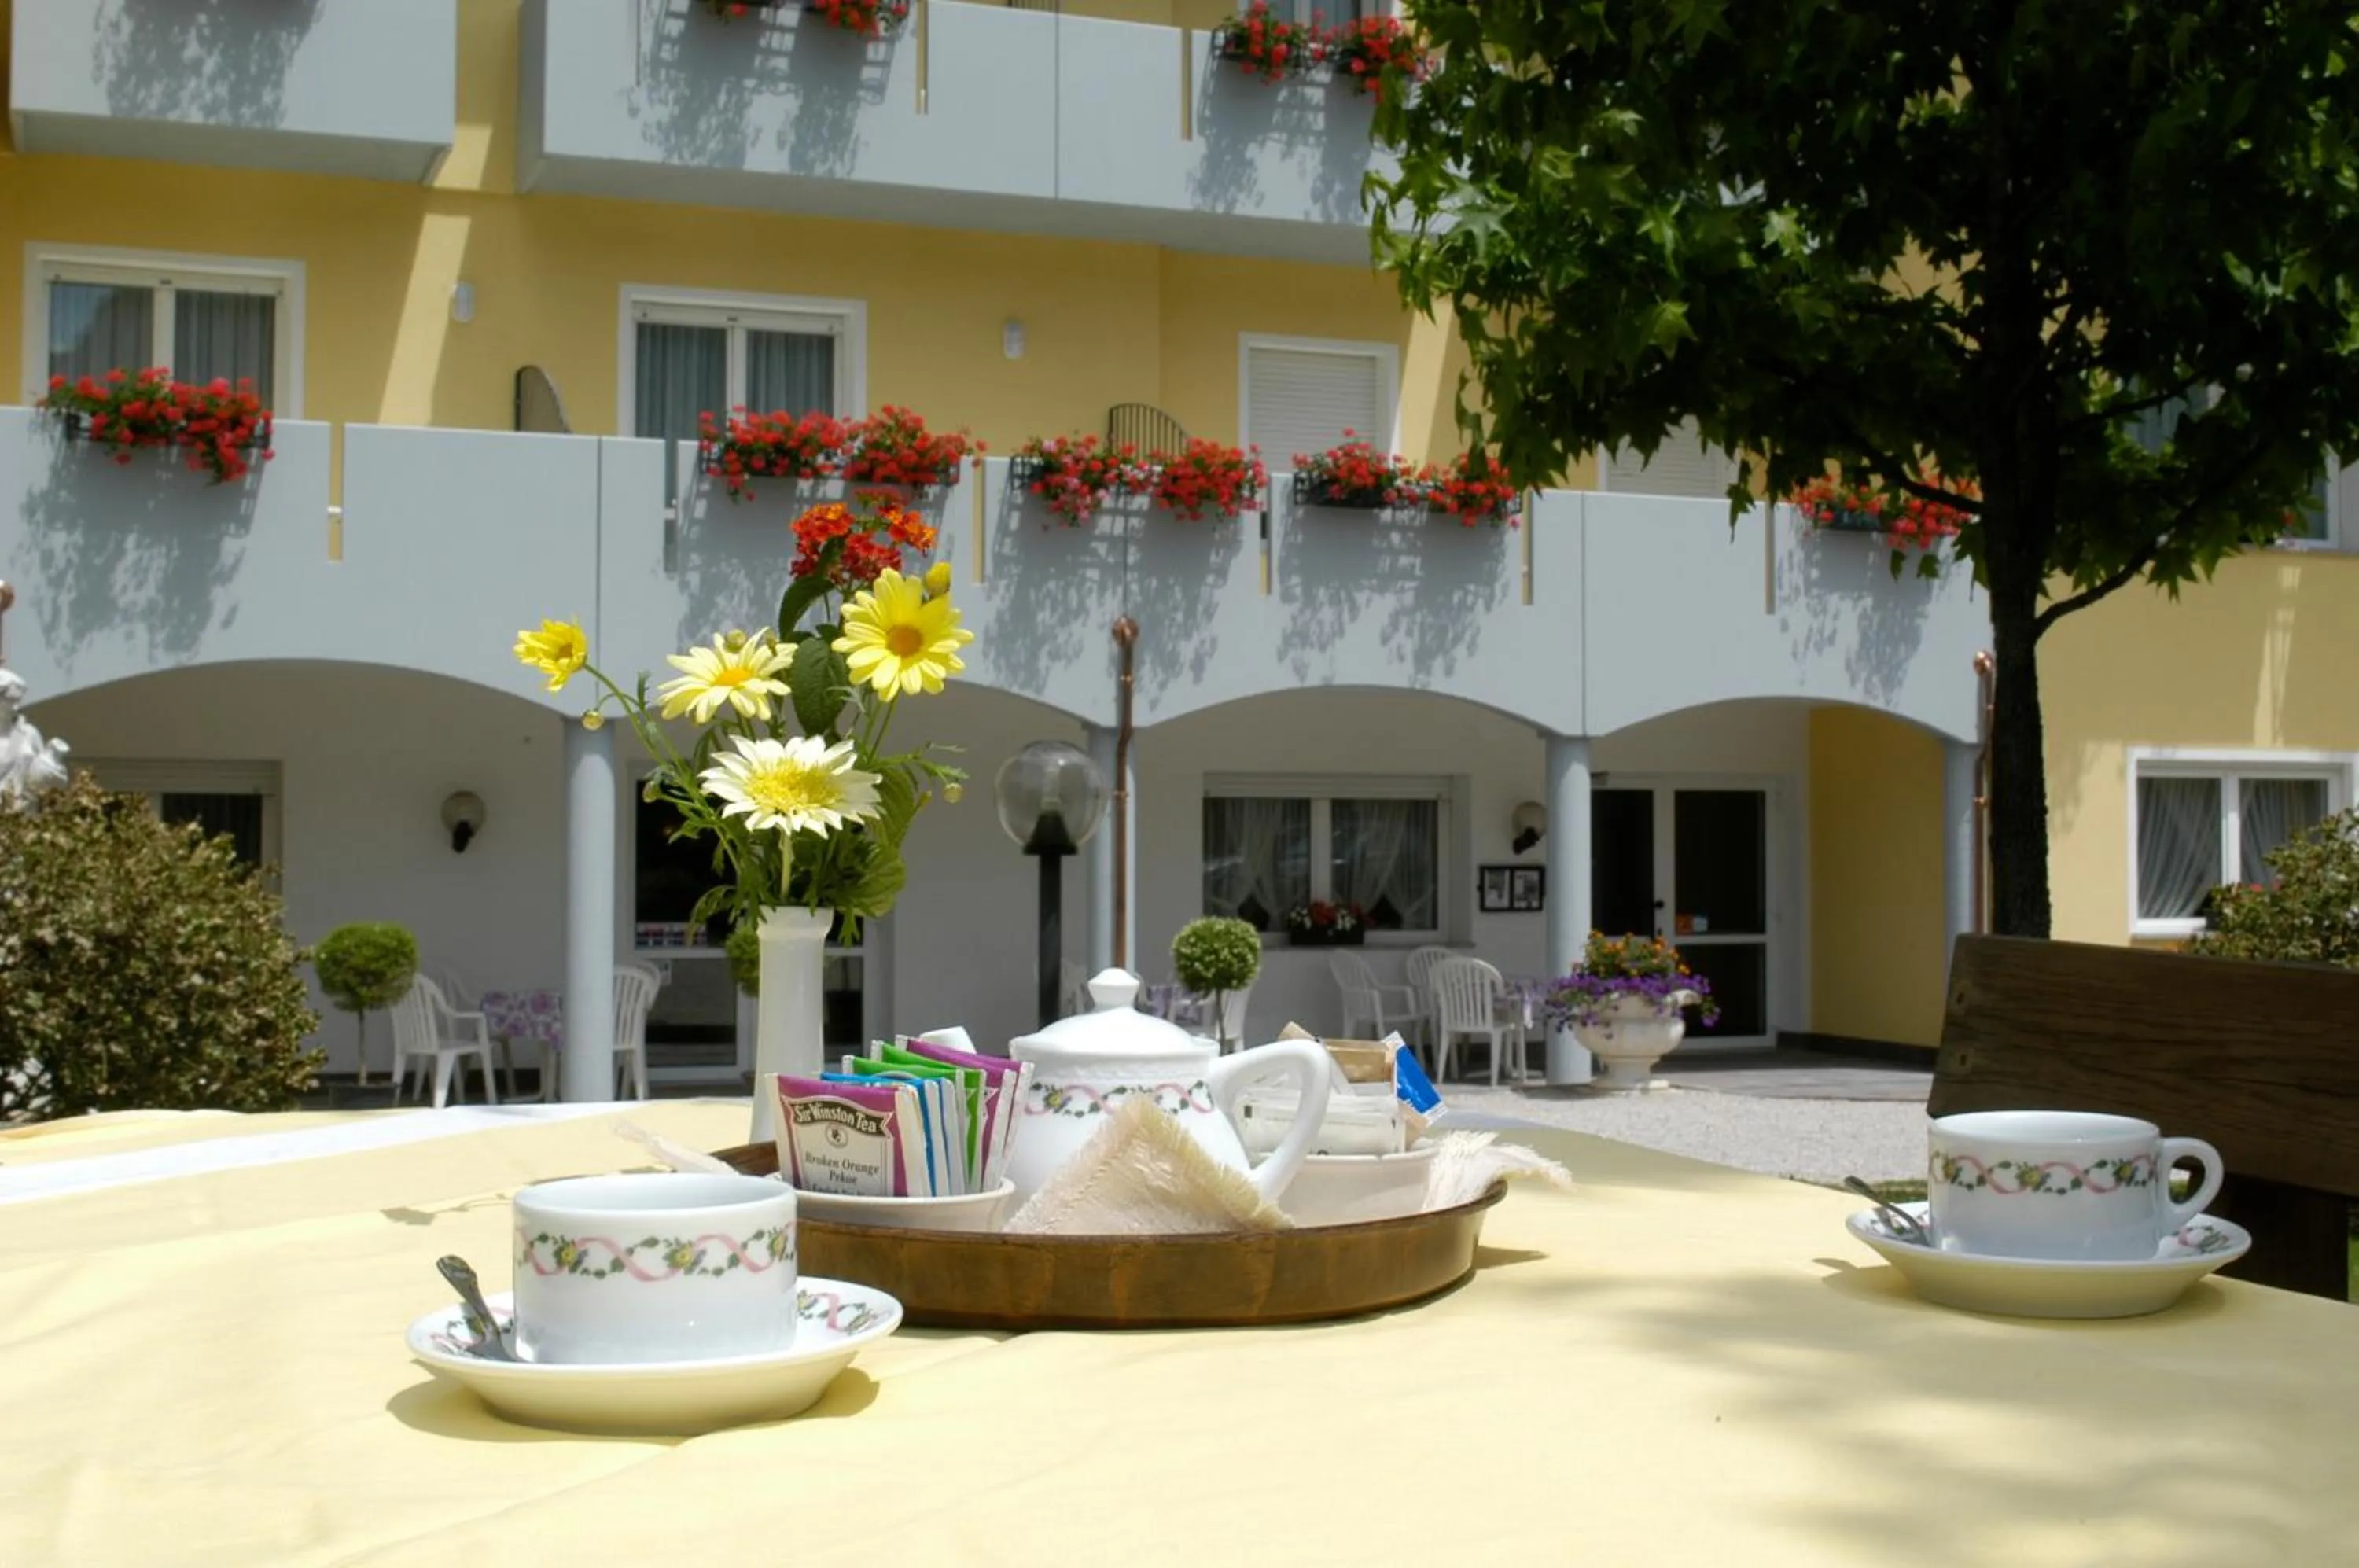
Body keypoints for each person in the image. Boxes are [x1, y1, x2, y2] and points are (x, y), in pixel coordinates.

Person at [0, 668, 70, 806]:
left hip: (22, 816)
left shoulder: (29, 734)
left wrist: (53, 769)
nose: (16, 707)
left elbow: (42, 774)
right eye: (11, 700)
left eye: (18, 701)